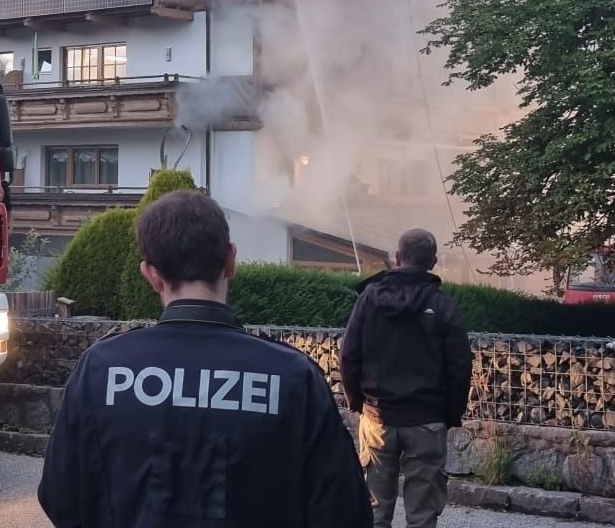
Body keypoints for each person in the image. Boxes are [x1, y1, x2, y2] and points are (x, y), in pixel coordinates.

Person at [38, 190, 372, 528]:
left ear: (150, 274)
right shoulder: (293, 376)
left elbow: (61, 496)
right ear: (230, 261)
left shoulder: (100, 368)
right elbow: (345, 512)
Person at [340, 228, 472, 528]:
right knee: (422, 515)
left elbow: (349, 355)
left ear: (397, 258)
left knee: (374, 510)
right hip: (427, 421)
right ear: (433, 262)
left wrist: (358, 403)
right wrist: (450, 415)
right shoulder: (443, 305)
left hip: (377, 418)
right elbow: (459, 365)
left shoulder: (369, 300)